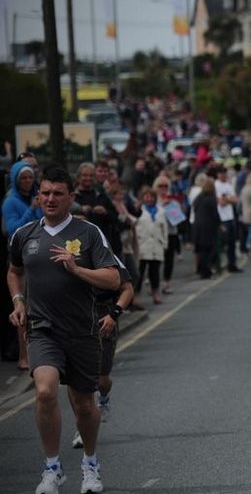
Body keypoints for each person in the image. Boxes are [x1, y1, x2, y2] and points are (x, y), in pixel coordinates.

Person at [7, 165, 120, 494]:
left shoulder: (87, 233)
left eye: (58, 193)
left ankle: (90, 463)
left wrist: (76, 269)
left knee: (85, 404)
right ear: (38, 195)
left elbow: (113, 278)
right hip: (42, 329)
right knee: (44, 391)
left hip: (82, 331)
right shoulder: (24, 235)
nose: (51, 198)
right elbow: (14, 272)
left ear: (71, 197)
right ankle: (52, 468)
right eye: (45, 193)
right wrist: (18, 300)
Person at [72, 258, 135, 449]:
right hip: (74, 317)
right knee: (75, 379)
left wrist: (114, 313)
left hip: (103, 316)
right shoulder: (64, 251)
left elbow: (128, 289)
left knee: (102, 379)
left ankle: (104, 398)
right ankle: (81, 426)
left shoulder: (106, 256)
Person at [2, 160, 42, 370]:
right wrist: (31, 210)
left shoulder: (39, 195)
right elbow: (13, 229)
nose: (27, 181)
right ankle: (23, 356)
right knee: (22, 308)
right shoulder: (11, 202)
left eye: (30, 177)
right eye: (23, 178)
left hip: (40, 254)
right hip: (21, 257)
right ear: (16, 181)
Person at [191, 176, 221, 279]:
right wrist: (219, 224)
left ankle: (201, 270)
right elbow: (215, 214)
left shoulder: (199, 198)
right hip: (208, 227)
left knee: (200, 250)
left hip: (197, 226)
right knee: (208, 250)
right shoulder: (211, 198)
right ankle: (206, 271)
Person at [214, 166, 242, 273]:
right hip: (221, 218)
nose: (223, 176)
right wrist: (228, 199)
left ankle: (232, 264)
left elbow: (236, 200)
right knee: (221, 243)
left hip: (230, 217)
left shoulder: (228, 185)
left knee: (232, 243)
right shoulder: (216, 185)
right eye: (221, 174)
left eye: (224, 173)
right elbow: (220, 202)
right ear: (218, 174)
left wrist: (227, 200)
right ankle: (218, 265)